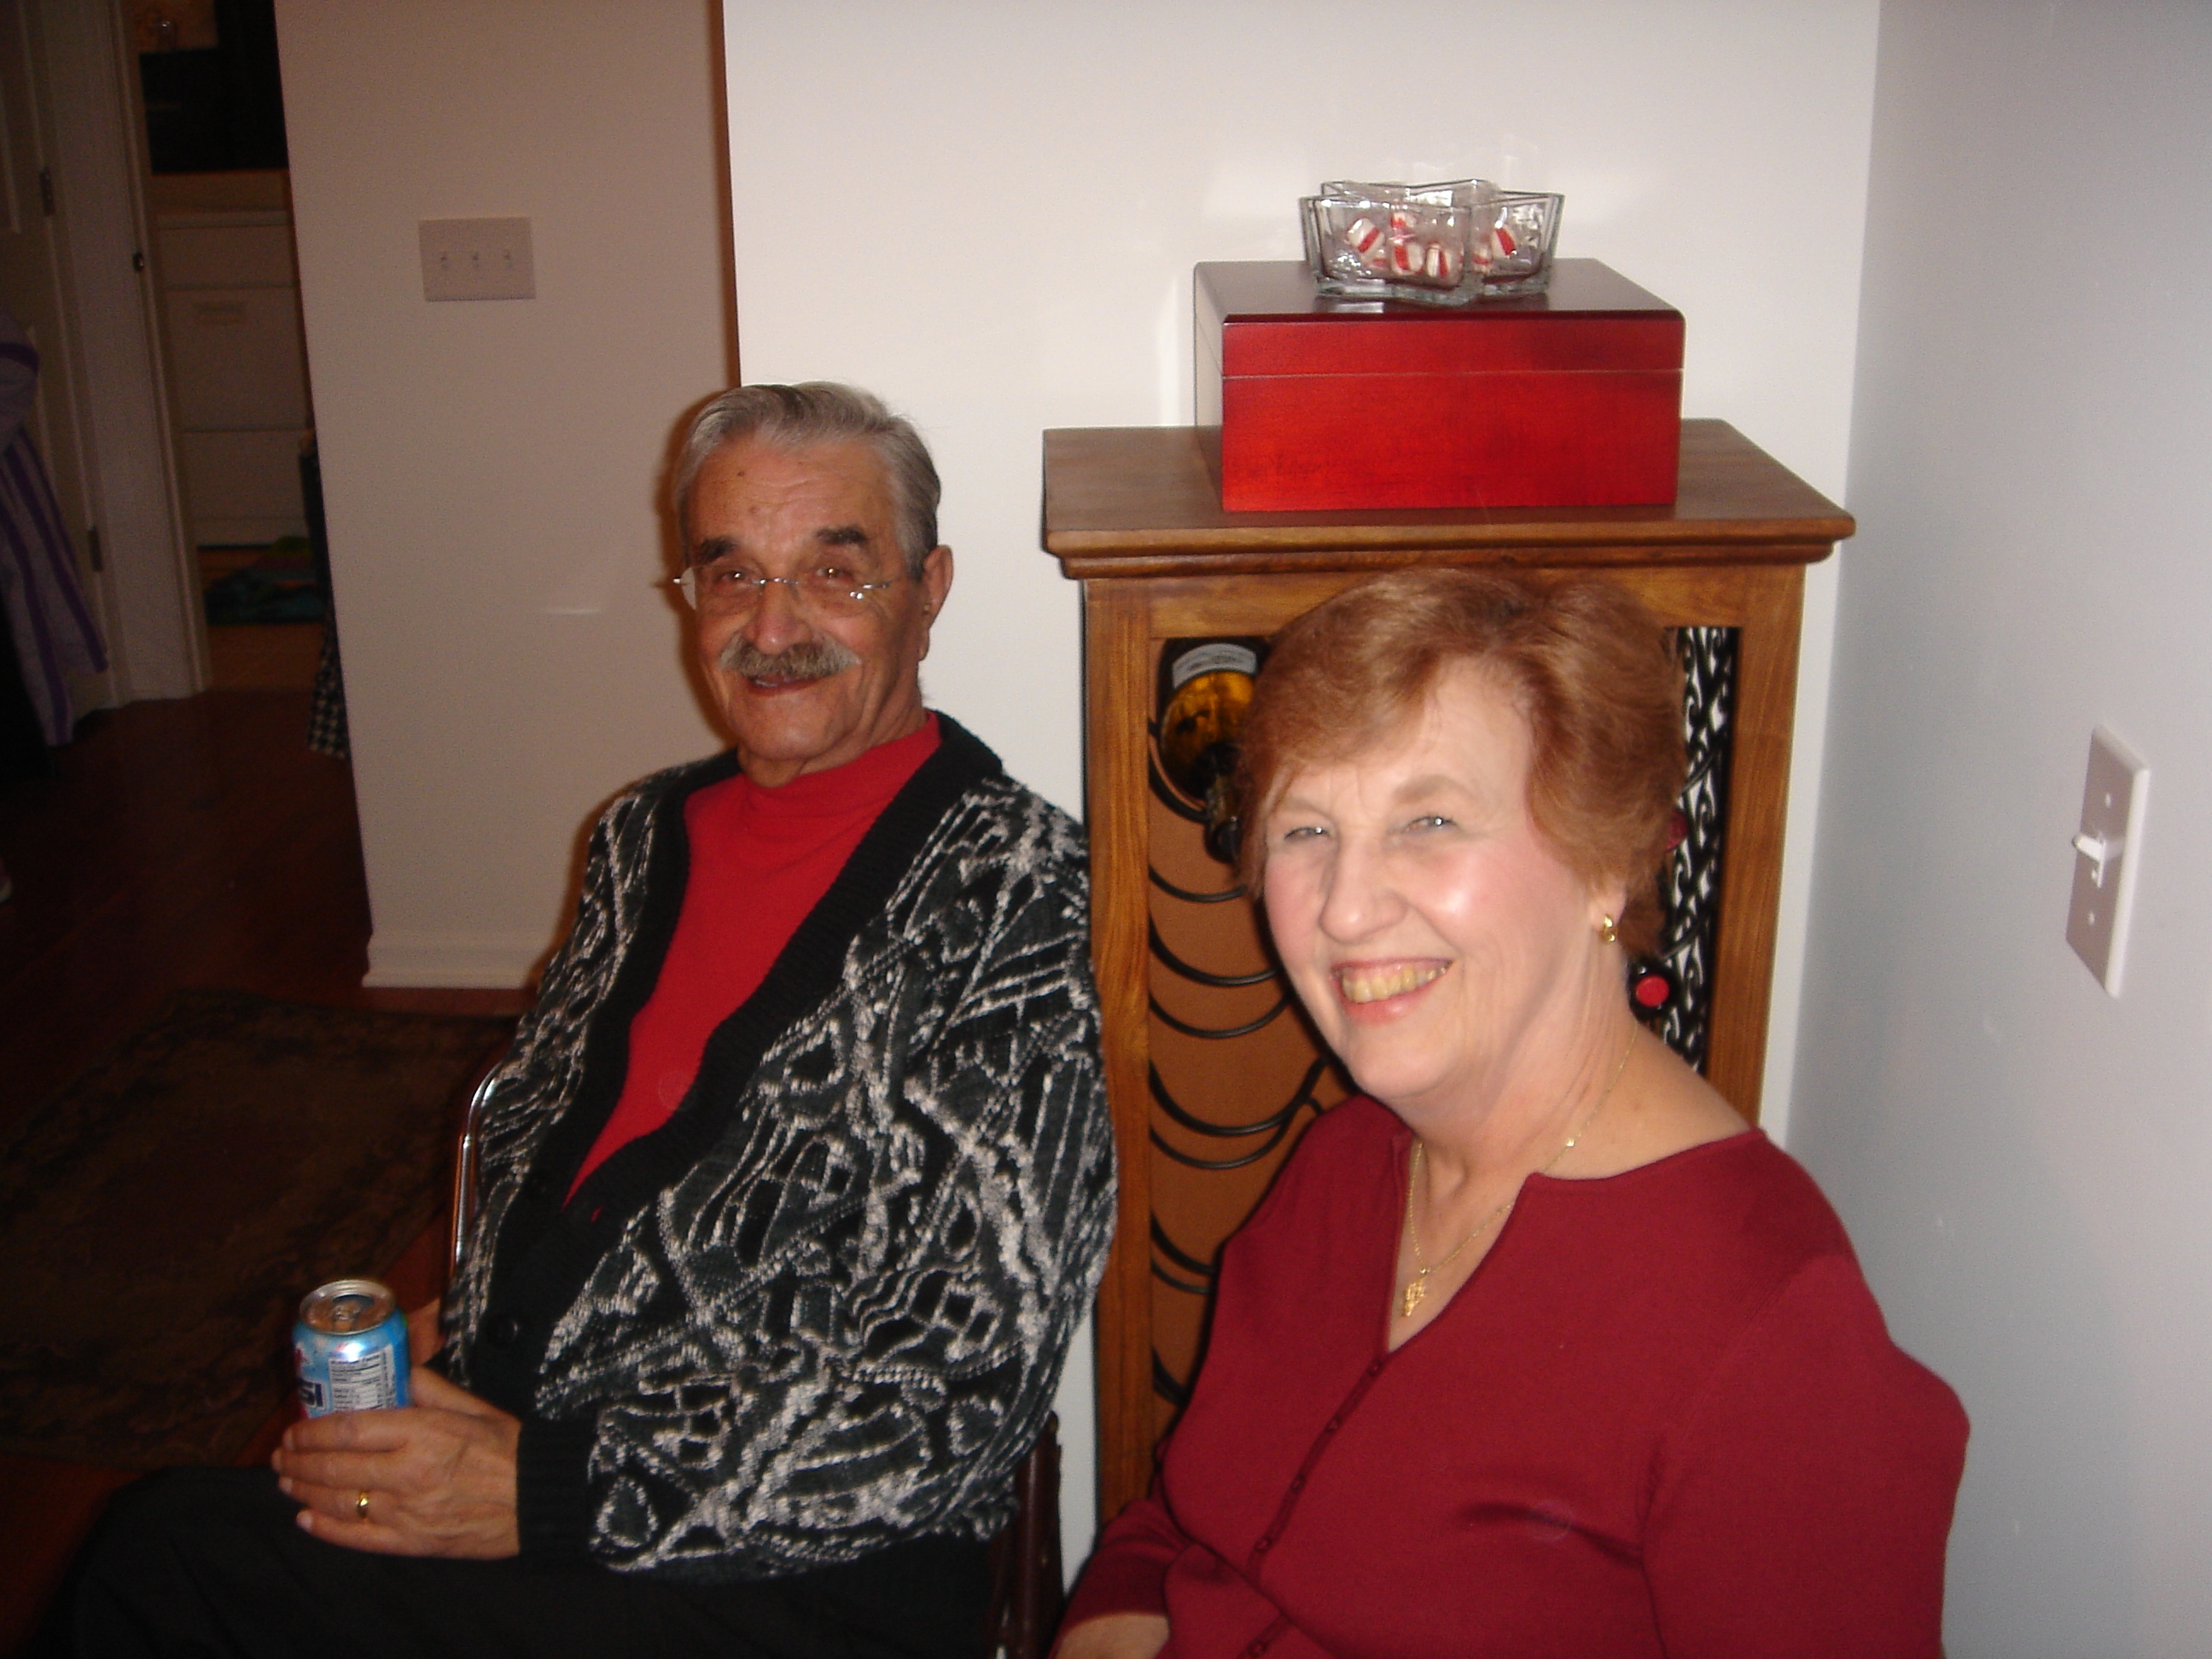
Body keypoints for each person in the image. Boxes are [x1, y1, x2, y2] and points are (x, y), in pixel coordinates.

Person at [70, 383, 1115, 1658]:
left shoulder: (1024, 900)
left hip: (802, 1572)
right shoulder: (642, 835)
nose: (772, 626)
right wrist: (468, 1332)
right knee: (183, 1554)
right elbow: (574, 1163)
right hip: (538, 1448)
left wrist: (543, 1493)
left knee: (165, 1560)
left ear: (928, 589)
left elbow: (958, 1408)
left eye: (833, 574)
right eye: (730, 575)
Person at [1056, 570, 1966, 1659]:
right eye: (1305, 830)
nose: (1346, 908)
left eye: (1430, 820)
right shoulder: (1351, 1160)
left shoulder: (1767, 1329)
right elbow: (1181, 1526)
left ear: (1606, 862)